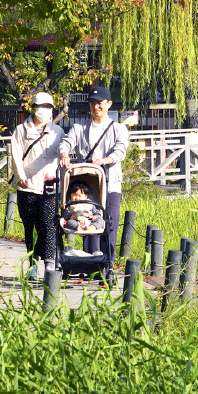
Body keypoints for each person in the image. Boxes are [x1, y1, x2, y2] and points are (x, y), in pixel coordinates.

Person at [59, 85, 129, 267]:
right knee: (85, 220)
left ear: (109, 104)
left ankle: (107, 264)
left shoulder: (118, 129)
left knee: (108, 224)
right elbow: (67, 142)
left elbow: (121, 150)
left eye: (100, 103)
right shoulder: (80, 127)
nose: (96, 107)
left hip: (110, 183)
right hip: (87, 185)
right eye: (92, 103)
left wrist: (106, 159)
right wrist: (64, 153)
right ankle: (89, 262)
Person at [9, 91, 65, 283]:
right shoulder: (21, 130)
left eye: (49, 107)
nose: (45, 110)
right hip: (27, 185)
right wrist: (21, 176)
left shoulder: (58, 131)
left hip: (50, 185)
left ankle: (50, 262)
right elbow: (15, 155)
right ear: (32, 108)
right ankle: (33, 264)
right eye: (41, 106)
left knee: (49, 224)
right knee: (30, 227)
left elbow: (63, 152)